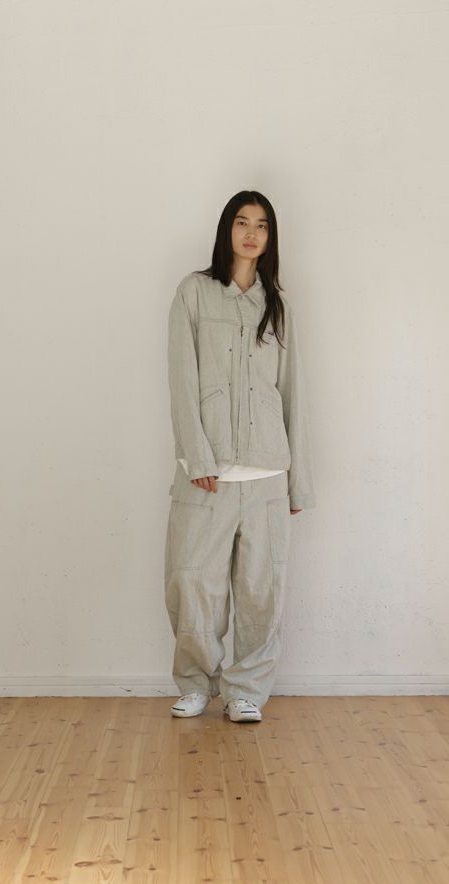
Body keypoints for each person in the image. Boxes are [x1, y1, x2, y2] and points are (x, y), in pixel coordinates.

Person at [164, 189, 316, 723]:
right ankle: (196, 683)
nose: (251, 233)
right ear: (227, 229)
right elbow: (181, 380)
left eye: (262, 225)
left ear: (270, 237)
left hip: (268, 472)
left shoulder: (278, 306)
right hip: (207, 474)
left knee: (260, 592)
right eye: (242, 222)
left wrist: (299, 481)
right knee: (192, 584)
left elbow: (293, 392)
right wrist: (196, 457)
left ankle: (246, 690)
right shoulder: (194, 293)